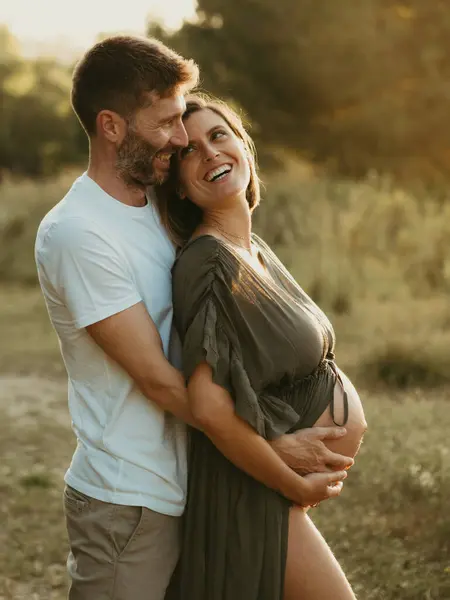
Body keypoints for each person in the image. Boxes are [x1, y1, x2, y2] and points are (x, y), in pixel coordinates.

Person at [35, 35, 354, 600]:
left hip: (201, 479)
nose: (180, 139)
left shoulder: (157, 211)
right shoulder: (79, 232)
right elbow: (160, 379)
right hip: (130, 498)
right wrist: (271, 449)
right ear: (111, 127)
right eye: (165, 125)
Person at [156, 94, 368, 600]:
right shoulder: (208, 264)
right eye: (189, 151)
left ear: (244, 147)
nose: (209, 153)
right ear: (179, 189)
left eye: (219, 135)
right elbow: (208, 406)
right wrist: (291, 482)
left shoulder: (253, 250)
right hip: (249, 491)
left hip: (266, 490)